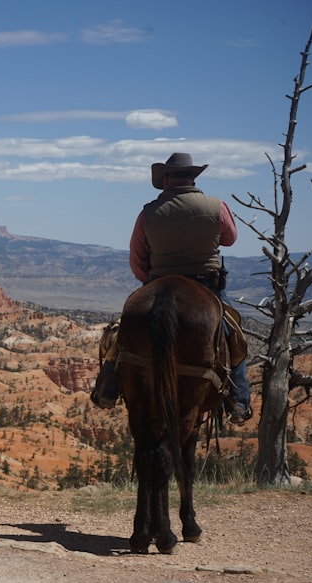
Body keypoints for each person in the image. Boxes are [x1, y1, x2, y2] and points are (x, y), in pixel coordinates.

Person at [91, 152, 252, 424]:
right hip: (207, 284)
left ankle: (107, 388)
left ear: (166, 178)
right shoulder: (217, 207)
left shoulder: (148, 213)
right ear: (193, 177)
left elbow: (137, 258)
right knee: (233, 334)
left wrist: (149, 284)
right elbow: (231, 238)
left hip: (158, 281)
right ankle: (237, 401)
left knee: (123, 333)